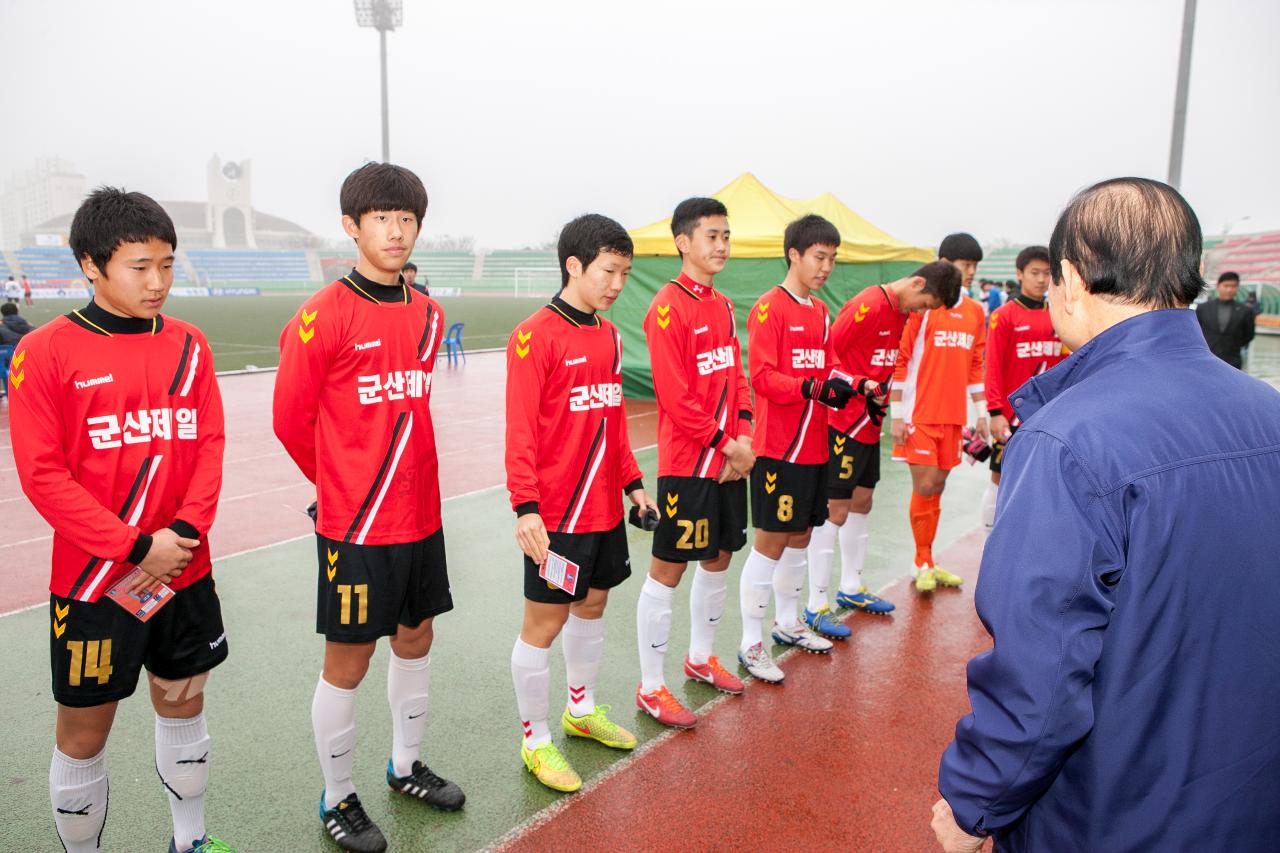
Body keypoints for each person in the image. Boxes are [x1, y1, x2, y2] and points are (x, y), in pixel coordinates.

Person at [933, 177, 1280, 853]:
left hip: (1113, 815)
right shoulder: (1270, 411)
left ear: (1070, 279)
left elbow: (1041, 681)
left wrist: (974, 803)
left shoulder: (1068, 439)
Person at [8, 188, 232, 853]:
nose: (158, 281)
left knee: (183, 699)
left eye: (166, 263)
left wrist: (183, 536)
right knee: (84, 732)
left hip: (186, 570)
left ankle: (188, 840)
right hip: (93, 582)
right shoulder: (46, 352)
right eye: (140, 265)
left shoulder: (190, 345)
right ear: (90, 264)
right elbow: (43, 476)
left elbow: (210, 447)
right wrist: (136, 544)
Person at [273, 162, 461, 853]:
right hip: (356, 522)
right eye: (381, 218)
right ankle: (338, 794)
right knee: (347, 660)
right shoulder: (323, 313)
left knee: (416, 638)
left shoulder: (429, 313)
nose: (397, 231)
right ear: (351, 227)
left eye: (407, 218)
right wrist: (340, 484)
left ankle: (405, 764)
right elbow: (291, 420)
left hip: (423, 517)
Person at [505, 213, 659, 793]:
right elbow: (518, 431)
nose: (618, 283)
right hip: (556, 515)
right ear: (574, 265)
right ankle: (536, 741)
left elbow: (613, 420)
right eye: (608, 271)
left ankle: (581, 709)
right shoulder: (534, 335)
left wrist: (633, 485)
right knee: (543, 625)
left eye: (625, 272)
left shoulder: (609, 334)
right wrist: (525, 507)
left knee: (592, 607)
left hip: (603, 509)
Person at [633, 197, 754, 728]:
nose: (721, 245)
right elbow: (675, 397)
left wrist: (744, 437)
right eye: (712, 235)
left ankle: (701, 657)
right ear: (684, 242)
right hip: (690, 463)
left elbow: (738, 376)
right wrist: (729, 446)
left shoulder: (724, 305)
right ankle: (651, 686)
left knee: (721, 556)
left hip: (730, 459)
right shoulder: (667, 306)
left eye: (726, 235)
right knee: (668, 569)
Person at [739, 214, 873, 682]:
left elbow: (832, 365)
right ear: (794, 254)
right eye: (820, 257)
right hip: (778, 449)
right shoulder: (768, 309)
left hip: (816, 447)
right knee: (771, 541)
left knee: (801, 537)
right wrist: (813, 389)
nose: (826, 267)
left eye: (833, 259)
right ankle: (750, 642)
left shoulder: (819, 312)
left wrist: (860, 382)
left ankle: (788, 622)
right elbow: (763, 379)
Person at [804, 261, 962, 636]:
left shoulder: (899, 312)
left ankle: (852, 587)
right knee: (835, 510)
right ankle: (816, 603)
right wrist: (858, 387)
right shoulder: (870, 304)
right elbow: (828, 355)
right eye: (923, 303)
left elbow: (889, 363)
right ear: (917, 282)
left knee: (862, 503)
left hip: (869, 423)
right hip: (843, 421)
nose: (919, 312)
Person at [889, 233, 988, 591]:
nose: (971, 272)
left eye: (975, 265)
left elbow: (976, 364)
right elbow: (901, 360)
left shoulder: (976, 312)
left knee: (940, 486)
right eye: (965, 265)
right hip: (920, 412)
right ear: (945, 264)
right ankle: (921, 561)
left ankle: (929, 558)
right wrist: (897, 414)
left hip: (953, 416)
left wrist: (981, 411)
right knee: (925, 484)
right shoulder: (925, 307)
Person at [979, 245, 1065, 536]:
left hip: (1050, 415)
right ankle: (991, 540)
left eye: (1047, 273)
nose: (1041, 280)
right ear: (1019, 274)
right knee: (999, 476)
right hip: (1012, 415)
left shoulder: (1060, 316)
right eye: (1034, 273)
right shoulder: (1003, 316)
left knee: (1043, 479)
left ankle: (1032, 538)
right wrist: (994, 412)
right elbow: (992, 368)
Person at [1195, 271, 1255, 368]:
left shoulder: (1245, 311)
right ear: (1218, 286)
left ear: (1237, 288)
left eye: (1233, 286)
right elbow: (1197, 331)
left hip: (1232, 360)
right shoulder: (1203, 308)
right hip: (1206, 358)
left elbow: (1249, 334)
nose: (1229, 289)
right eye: (1226, 286)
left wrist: (1233, 344)